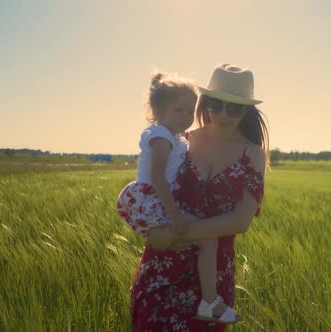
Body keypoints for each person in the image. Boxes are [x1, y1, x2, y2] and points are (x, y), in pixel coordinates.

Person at [128, 64, 268, 331]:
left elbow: (241, 220)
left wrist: (179, 231)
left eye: (234, 107)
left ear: (246, 110)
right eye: (216, 104)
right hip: (162, 265)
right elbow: (146, 189)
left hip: (211, 281)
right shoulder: (179, 140)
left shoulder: (252, 154)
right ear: (204, 101)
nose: (222, 114)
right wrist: (151, 232)